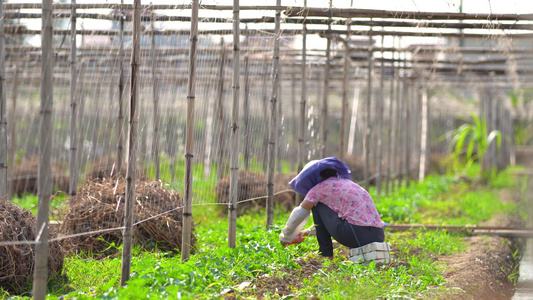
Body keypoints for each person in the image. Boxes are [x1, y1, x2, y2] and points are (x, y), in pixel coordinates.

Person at [279, 157, 385, 258]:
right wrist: (306, 233)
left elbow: (300, 213)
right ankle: (324, 253)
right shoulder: (349, 184)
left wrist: (286, 236)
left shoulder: (318, 189)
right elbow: (336, 221)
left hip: (354, 234)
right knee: (320, 204)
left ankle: (325, 254)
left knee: (317, 205)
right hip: (378, 235)